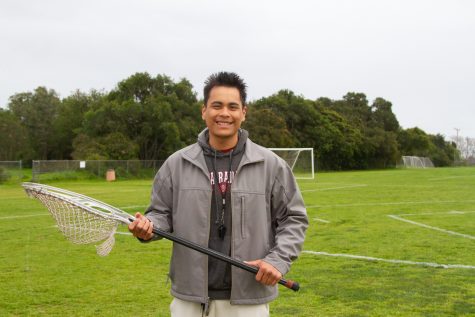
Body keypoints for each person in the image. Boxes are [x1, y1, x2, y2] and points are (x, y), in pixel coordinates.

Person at [128, 72, 308, 317]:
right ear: (204, 111)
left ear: (244, 112)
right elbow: (161, 214)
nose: (224, 113)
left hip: (248, 299)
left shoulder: (271, 165)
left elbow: (293, 218)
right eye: (217, 105)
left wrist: (277, 261)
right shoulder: (176, 163)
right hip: (189, 299)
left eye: (232, 106)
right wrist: (149, 227)